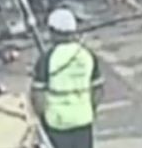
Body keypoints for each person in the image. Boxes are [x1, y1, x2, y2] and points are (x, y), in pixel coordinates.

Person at [31, 8, 103, 148]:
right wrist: (89, 109)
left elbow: (37, 97)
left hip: (57, 123)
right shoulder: (87, 55)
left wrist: (42, 117)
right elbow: (98, 90)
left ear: (52, 32)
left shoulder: (47, 59)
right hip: (83, 120)